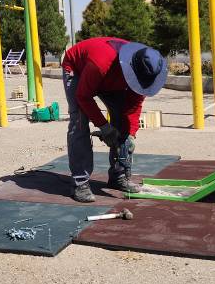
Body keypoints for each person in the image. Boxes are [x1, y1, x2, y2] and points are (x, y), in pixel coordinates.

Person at [62, 37, 168, 203]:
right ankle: (80, 183)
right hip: (79, 69)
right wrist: (104, 126)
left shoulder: (143, 73)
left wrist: (131, 134)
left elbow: (133, 107)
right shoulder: (102, 62)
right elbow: (83, 96)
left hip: (111, 79)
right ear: (131, 70)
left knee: (123, 122)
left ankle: (119, 177)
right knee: (80, 122)